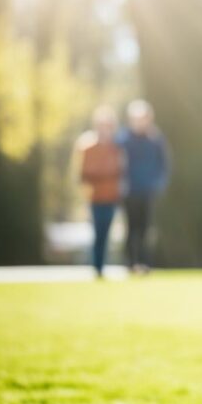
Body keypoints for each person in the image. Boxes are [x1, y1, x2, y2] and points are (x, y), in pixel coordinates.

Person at [118, 99, 170, 275]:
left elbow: (164, 164)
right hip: (129, 190)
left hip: (147, 191)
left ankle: (145, 263)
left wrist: (158, 183)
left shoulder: (155, 139)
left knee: (145, 230)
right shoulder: (124, 139)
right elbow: (117, 162)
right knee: (131, 229)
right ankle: (130, 264)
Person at [76, 105, 125, 279]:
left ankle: (102, 265)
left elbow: (121, 171)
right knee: (97, 232)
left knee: (106, 232)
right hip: (95, 197)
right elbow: (84, 174)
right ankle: (97, 267)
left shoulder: (116, 147)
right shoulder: (88, 146)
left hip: (111, 197)